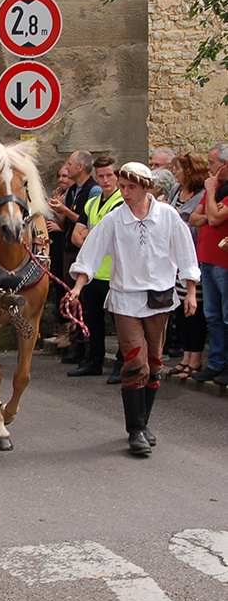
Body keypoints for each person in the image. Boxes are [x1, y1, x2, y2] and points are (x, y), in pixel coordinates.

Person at [68, 163, 199, 455]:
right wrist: (77, 287)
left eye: (131, 188)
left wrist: (190, 291)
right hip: (126, 299)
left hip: (160, 299)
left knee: (154, 362)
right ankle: (135, 430)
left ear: (146, 187)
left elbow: (186, 252)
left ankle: (143, 422)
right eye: (122, 187)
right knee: (135, 361)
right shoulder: (115, 219)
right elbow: (91, 251)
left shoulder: (167, 216)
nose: (125, 193)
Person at [68, 156, 123, 377]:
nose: (105, 180)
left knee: (119, 322)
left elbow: (111, 239)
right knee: (93, 320)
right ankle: (94, 361)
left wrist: (92, 240)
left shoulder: (120, 203)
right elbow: (75, 235)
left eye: (109, 175)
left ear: (116, 176)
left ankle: (122, 364)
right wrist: (94, 242)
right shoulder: (92, 203)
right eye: (100, 176)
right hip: (92, 273)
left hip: (113, 273)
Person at [48, 151, 101, 363]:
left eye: (70, 164)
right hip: (69, 247)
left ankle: (87, 350)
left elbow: (85, 220)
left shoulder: (92, 190)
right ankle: (76, 346)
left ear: (80, 167)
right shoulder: (73, 190)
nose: (66, 168)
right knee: (71, 298)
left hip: (82, 250)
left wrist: (64, 210)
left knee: (84, 303)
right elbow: (67, 222)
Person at [188, 142, 228, 385]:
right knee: (212, 314)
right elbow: (195, 218)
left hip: (224, 262)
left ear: (224, 164)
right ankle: (216, 362)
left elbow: (213, 217)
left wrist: (211, 194)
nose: (208, 168)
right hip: (208, 258)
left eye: (212, 163)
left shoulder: (215, 188)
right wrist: (211, 213)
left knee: (226, 316)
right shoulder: (215, 189)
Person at [166, 152, 208, 379]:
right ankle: (185, 356)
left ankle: (196, 358)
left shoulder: (202, 194)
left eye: (178, 168)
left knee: (195, 310)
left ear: (190, 171)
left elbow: (196, 226)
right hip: (175, 259)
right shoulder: (175, 191)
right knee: (181, 310)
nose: (174, 172)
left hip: (193, 256)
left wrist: (176, 219)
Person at [46, 166, 71, 348]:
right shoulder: (55, 195)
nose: (62, 179)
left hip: (66, 241)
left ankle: (70, 331)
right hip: (55, 244)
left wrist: (59, 228)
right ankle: (62, 329)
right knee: (57, 284)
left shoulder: (73, 196)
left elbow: (78, 222)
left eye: (66, 176)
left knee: (67, 285)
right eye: (60, 176)